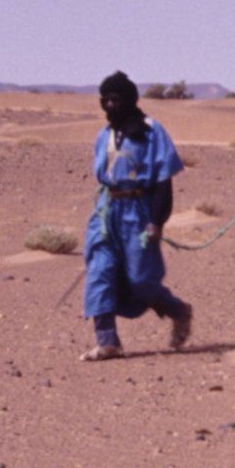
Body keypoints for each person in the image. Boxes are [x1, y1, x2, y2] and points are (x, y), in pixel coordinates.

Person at [80, 72, 192, 361]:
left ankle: (178, 310)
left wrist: (156, 220)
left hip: (138, 212)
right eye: (106, 100)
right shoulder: (104, 135)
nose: (111, 105)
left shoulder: (152, 132)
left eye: (116, 99)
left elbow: (163, 181)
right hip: (107, 212)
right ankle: (107, 342)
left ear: (130, 100)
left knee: (141, 278)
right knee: (100, 271)